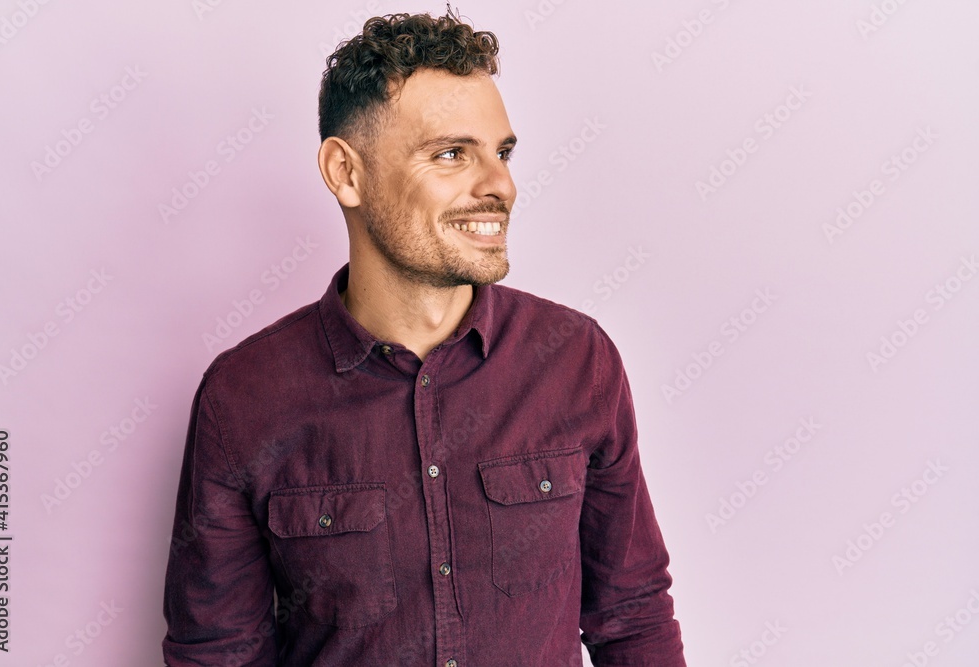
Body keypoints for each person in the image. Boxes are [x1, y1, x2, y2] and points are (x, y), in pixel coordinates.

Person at [162, 8, 686, 666]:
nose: (500, 185)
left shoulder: (577, 361)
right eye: (451, 154)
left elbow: (632, 615)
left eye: (501, 153)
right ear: (346, 173)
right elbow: (217, 652)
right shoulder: (244, 397)